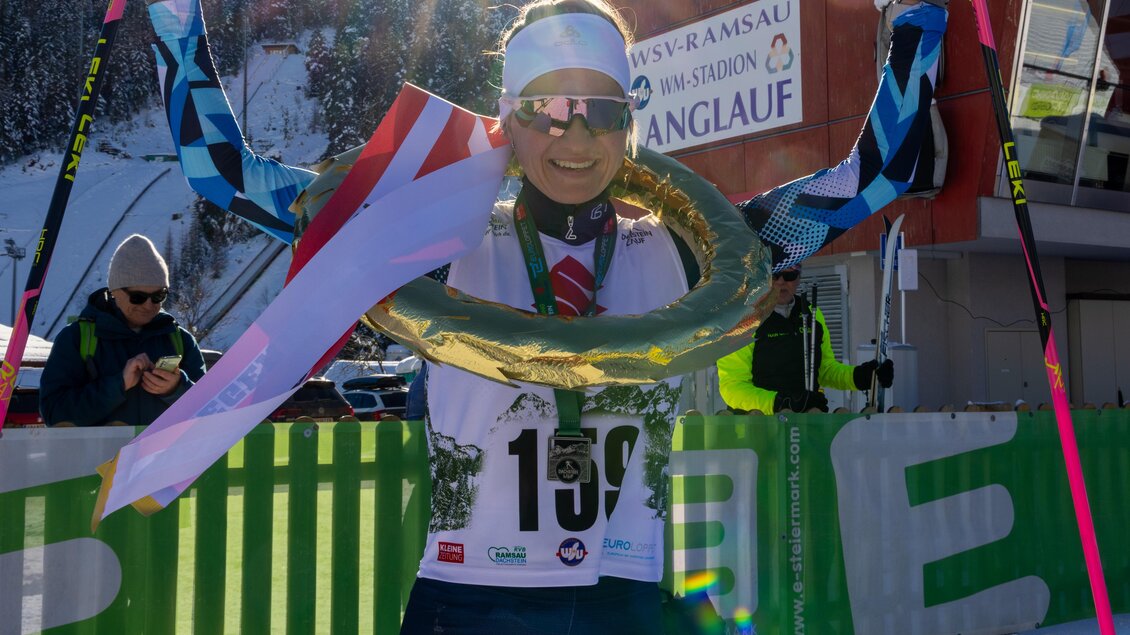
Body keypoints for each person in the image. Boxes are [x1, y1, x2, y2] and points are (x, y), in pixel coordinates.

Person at [144, 0, 946, 630]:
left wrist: (916, 29)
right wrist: (175, 23)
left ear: (630, 120)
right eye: (548, 108)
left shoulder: (689, 250)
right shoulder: (439, 238)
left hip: (623, 592)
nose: (575, 133)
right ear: (509, 118)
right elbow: (223, 173)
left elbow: (877, 174)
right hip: (470, 594)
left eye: (601, 109)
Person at [39, 234, 207, 427]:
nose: (148, 305)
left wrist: (177, 389)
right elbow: (54, 413)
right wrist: (118, 385)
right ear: (114, 292)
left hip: (165, 448)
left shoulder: (180, 339)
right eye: (138, 297)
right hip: (101, 449)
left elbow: (210, 407)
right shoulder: (76, 338)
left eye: (158, 296)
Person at [716, 263, 894, 414]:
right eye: (774, 275)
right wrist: (782, 403)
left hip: (807, 421)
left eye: (789, 275)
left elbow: (824, 370)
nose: (781, 282)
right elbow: (732, 387)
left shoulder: (812, 314)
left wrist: (860, 377)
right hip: (758, 427)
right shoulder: (743, 320)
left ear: (799, 278)